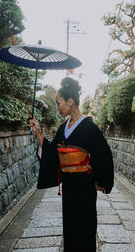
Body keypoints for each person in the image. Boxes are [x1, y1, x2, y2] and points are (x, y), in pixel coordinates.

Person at [30, 77, 114, 251]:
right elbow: (53, 153)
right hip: (69, 186)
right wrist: (39, 133)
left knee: (85, 226)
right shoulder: (63, 128)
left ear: (70, 101)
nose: (57, 107)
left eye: (58, 103)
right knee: (70, 227)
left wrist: (103, 180)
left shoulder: (90, 128)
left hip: (85, 186)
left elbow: (103, 154)